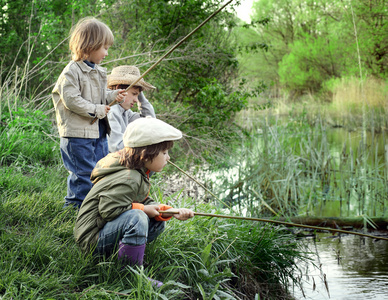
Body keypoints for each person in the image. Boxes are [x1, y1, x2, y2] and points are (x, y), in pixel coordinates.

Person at [74, 117, 194, 287]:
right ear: (147, 153)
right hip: (92, 240)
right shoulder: (129, 177)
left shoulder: (137, 170)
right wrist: (143, 209)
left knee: (156, 222)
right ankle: (130, 274)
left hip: (103, 229)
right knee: (137, 217)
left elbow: (139, 199)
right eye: (165, 152)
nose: (168, 158)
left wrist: (170, 211)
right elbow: (109, 210)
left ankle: (123, 256)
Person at [52, 17, 127, 208]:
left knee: (98, 171)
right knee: (83, 174)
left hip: (98, 132)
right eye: (104, 47)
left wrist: (113, 96)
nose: (107, 53)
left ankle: (92, 206)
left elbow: (99, 96)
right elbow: (72, 100)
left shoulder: (99, 72)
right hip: (78, 135)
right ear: (89, 46)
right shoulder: (72, 71)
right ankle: (75, 208)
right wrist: (97, 110)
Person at [107, 65, 156, 153]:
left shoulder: (126, 113)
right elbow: (116, 147)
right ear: (119, 89)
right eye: (134, 94)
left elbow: (150, 122)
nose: (136, 100)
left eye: (138, 96)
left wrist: (140, 96)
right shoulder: (111, 111)